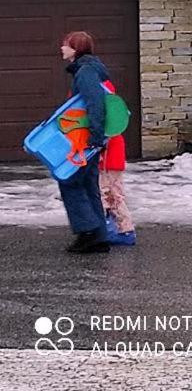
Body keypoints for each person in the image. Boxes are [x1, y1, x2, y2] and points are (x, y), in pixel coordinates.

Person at [58, 31, 110, 254]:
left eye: (65, 45)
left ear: (76, 49)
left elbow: (95, 104)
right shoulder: (87, 69)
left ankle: (88, 231)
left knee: (70, 180)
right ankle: (99, 236)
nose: (62, 48)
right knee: (88, 183)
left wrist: (96, 137)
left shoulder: (86, 71)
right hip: (90, 137)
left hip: (87, 139)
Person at [100, 133, 136, 246]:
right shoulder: (115, 130)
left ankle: (124, 230)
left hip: (107, 160)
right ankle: (122, 228)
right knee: (113, 194)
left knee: (111, 196)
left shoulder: (108, 133)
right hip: (111, 158)